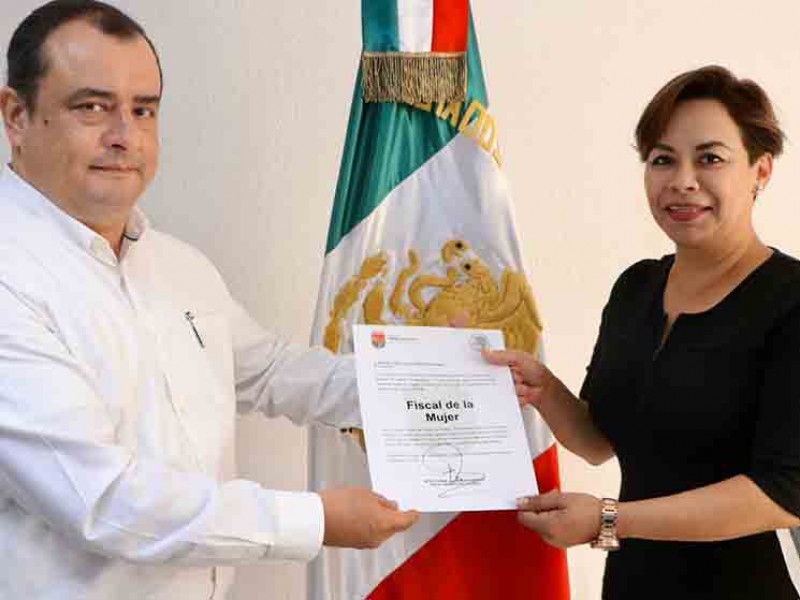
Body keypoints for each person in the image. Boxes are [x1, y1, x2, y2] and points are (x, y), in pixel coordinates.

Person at [0, 1, 418, 598]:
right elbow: (102, 500)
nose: (123, 136)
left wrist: (432, 384)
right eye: (91, 107)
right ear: (16, 115)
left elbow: (267, 371)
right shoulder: (10, 276)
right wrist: (317, 519)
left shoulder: (177, 265)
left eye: (143, 110)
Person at [486, 65, 800, 599]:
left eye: (710, 158)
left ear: (760, 171)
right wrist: (542, 387)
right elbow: (598, 442)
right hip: (634, 583)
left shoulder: (790, 301)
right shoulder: (637, 288)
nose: (682, 181)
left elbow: (782, 493)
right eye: (662, 159)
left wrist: (609, 519)